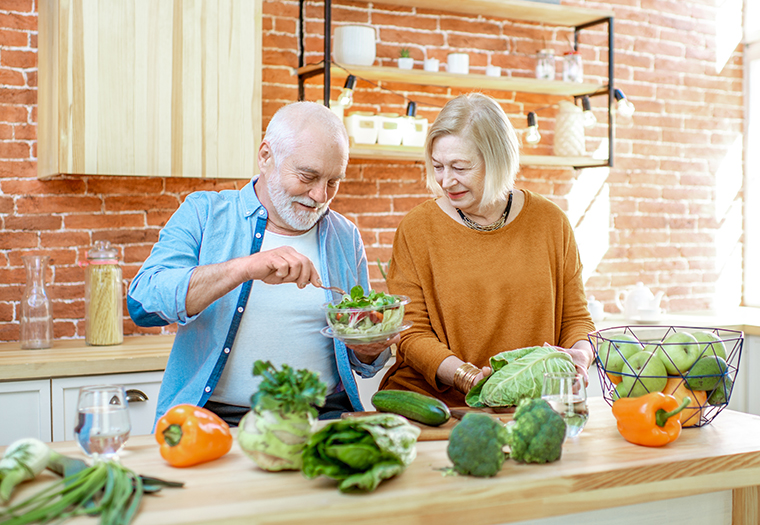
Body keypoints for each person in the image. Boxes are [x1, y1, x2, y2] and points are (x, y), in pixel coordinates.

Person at [128, 101, 394, 426]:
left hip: (324, 417)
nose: (320, 195)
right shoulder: (204, 213)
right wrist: (245, 268)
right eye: (307, 176)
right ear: (266, 156)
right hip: (218, 421)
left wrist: (369, 348)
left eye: (333, 182)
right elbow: (144, 304)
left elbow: (362, 358)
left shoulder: (344, 235)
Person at [378, 93, 595, 406]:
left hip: (527, 404)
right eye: (438, 166)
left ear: (498, 160)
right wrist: (469, 378)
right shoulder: (417, 228)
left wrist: (580, 356)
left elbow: (575, 318)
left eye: (460, 167)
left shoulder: (551, 223)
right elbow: (411, 335)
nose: (446, 181)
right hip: (435, 406)